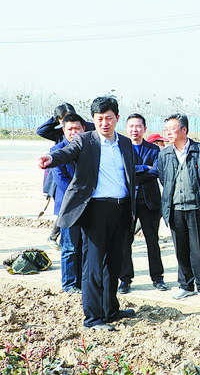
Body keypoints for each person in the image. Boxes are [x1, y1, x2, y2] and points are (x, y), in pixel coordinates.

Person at [38, 96, 136, 331]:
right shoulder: (84, 140)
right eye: (99, 119)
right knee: (93, 266)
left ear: (117, 118)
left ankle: (110, 309)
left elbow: (130, 174)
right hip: (95, 210)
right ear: (93, 119)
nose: (104, 123)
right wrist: (51, 158)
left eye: (109, 118)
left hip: (121, 209)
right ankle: (92, 318)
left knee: (113, 263)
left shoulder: (124, 143)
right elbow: (66, 153)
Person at [156, 114, 200, 300]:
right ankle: (186, 285)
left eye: (172, 129)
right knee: (181, 250)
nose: (168, 133)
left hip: (197, 208)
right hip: (175, 209)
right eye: (166, 129)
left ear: (184, 130)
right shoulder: (164, 154)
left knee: (199, 250)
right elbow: (164, 179)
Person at [118, 114, 167, 294]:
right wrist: (144, 167)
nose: (135, 130)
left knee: (152, 241)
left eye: (138, 126)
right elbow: (121, 171)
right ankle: (125, 279)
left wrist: (134, 172)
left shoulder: (154, 149)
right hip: (127, 202)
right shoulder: (121, 148)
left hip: (149, 202)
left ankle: (157, 277)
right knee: (125, 242)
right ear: (126, 128)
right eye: (131, 126)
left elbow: (157, 171)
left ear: (144, 129)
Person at [37, 103, 94, 250]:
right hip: (59, 171)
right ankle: (54, 236)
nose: (73, 131)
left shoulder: (84, 128)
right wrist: (55, 119)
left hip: (82, 179)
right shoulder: (58, 134)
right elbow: (41, 130)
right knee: (64, 206)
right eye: (63, 120)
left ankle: (55, 236)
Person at [50, 113, 86, 294]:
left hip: (89, 206)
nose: (74, 132)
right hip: (68, 207)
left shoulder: (90, 148)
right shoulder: (57, 151)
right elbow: (62, 182)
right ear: (63, 130)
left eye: (77, 128)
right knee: (70, 247)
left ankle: (83, 282)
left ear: (84, 129)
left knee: (85, 247)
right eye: (69, 129)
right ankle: (70, 284)